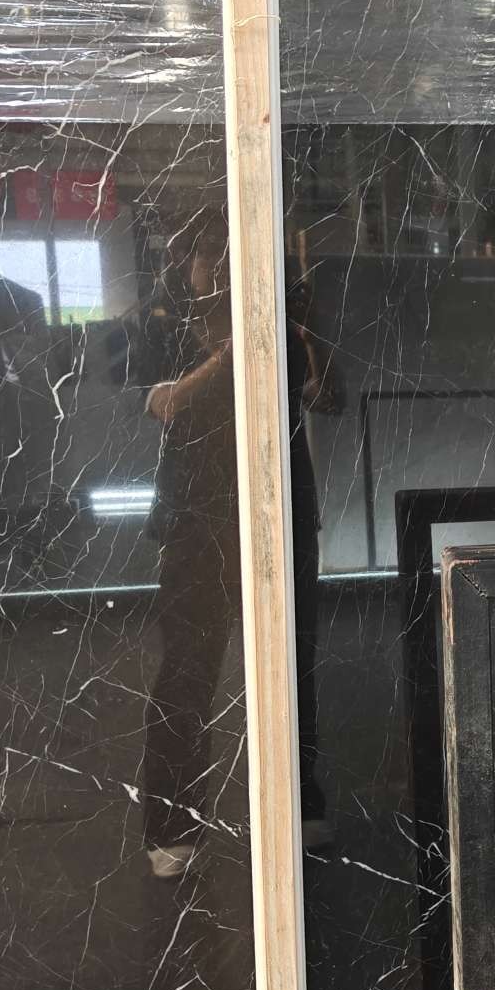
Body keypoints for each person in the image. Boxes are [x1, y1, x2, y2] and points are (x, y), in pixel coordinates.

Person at [138, 212, 331, 878]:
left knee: (290, 666)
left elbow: (327, 392)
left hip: (274, 515)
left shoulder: (282, 330)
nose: (215, 268)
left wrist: (292, 331)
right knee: (188, 673)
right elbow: (163, 402)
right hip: (198, 522)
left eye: (225, 254)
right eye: (206, 254)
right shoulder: (173, 328)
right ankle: (172, 824)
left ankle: (298, 801)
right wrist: (242, 349)